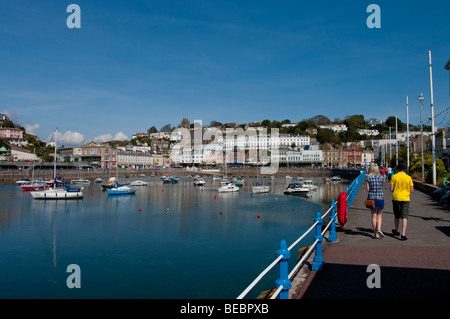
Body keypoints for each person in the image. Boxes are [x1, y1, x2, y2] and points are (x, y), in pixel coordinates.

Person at [390, 163, 414, 241]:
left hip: (396, 198)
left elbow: (391, 189)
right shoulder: (408, 177)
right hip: (406, 198)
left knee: (397, 215)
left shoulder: (394, 177)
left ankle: (397, 230)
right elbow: (412, 190)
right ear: (404, 169)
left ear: (398, 169)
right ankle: (403, 234)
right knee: (405, 216)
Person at [366, 164, 385, 238]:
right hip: (380, 197)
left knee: (374, 215)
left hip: (371, 198)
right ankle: (379, 229)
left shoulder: (368, 178)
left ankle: (375, 233)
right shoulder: (381, 177)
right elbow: (382, 185)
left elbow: (368, 189)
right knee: (379, 215)